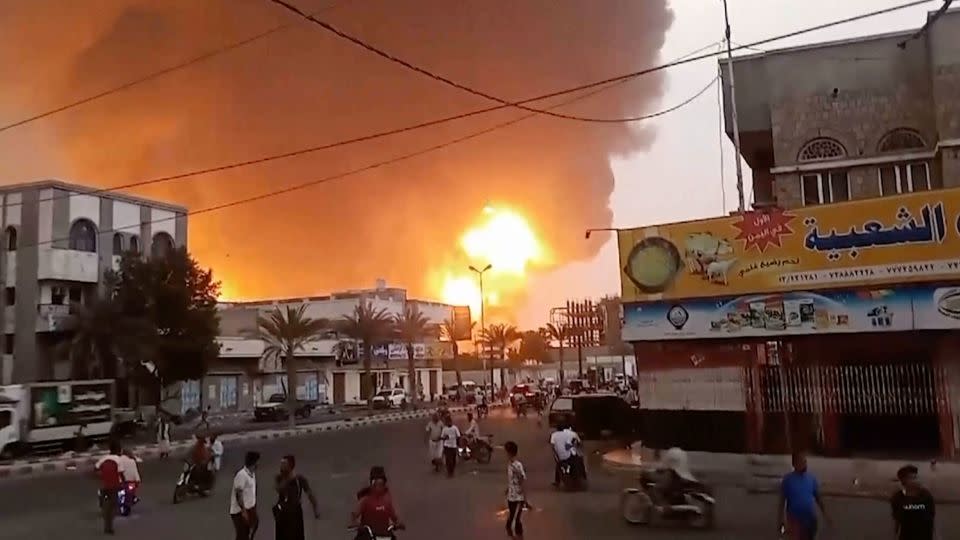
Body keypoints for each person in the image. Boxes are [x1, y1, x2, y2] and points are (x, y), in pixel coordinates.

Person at [778, 451, 827, 540]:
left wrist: (826, 514)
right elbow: (782, 500)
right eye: (801, 462)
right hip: (795, 519)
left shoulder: (811, 479)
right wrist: (780, 519)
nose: (804, 464)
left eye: (805, 462)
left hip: (809, 518)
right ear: (794, 464)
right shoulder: (788, 479)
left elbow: (818, 498)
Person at [273, 455, 319, 540]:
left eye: (284, 464)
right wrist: (288, 479)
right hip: (282, 513)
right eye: (281, 464)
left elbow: (310, 494)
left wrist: (315, 509)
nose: (281, 466)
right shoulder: (279, 478)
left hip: (295, 513)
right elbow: (279, 489)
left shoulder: (300, 479)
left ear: (290, 465)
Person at [352, 466, 402, 540]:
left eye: (381, 484)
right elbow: (354, 515)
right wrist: (355, 523)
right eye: (376, 484)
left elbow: (394, 517)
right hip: (368, 535)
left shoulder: (387, 501)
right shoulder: (365, 500)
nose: (379, 487)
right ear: (372, 484)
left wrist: (398, 524)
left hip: (385, 535)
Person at [890, 464, 935, 540]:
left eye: (916, 477)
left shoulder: (926, 495)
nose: (915, 480)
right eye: (911, 478)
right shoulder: (898, 497)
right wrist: (895, 534)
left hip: (924, 536)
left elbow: (932, 516)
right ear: (903, 480)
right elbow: (897, 519)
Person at [94, 441, 124, 534]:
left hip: (104, 485)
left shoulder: (103, 458)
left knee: (107, 504)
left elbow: (95, 469)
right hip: (114, 486)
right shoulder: (119, 460)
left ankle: (102, 503)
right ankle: (109, 527)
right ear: (119, 450)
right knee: (113, 507)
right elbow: (121, 474)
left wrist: (101, 476)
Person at [231, 450, 261, 540]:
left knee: (253, 527)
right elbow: (238, 495)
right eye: (258, 461)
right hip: (240, 511)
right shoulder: (241, 475)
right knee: (242, 535)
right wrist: (243, 511)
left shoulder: (252, 473)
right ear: (254, 462)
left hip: (250, 509)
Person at [504, 441, 527, 540]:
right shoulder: (510, 464)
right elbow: (512, 480)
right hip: (511, 496)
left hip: (518, 497)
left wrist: (525, 496)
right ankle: (511, 535)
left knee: (517, 519)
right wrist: (508, 489)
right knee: (511, 517)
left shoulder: (517, 465)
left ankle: (518, 536)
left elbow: (522, 479)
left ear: (509, 452)